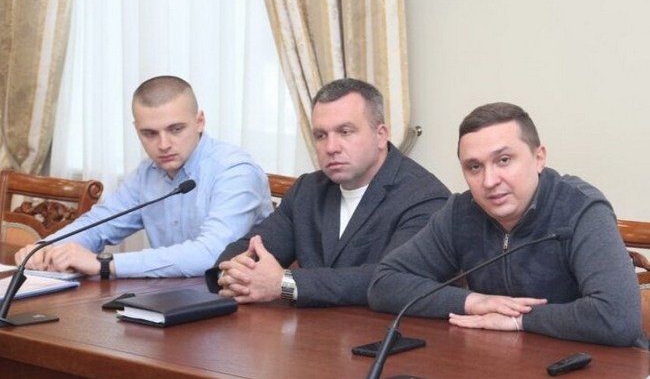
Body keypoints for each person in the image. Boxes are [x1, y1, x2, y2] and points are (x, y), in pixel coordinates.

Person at [368, 102, 646, 348]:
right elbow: (384, 284)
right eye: (474, 167)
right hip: (502, 358)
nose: (489, 181)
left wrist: (519, 319)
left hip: (597, 362)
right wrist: (474, 302)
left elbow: (617, 318)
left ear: (539, 158)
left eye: (504, 160)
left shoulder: (580, 208)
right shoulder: (461, 213)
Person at [206, 78, 450, 307]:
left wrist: (286, 285)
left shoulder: (426, 197)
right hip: (309, 329)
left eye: (345, 132)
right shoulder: (308, 190)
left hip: (383, 331)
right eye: (321, 135)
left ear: (381, 135)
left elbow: (390, 280)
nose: (331, 147)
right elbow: (249, 247)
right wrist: (231, 273)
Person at [15, 75, 273, 278]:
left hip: (240, 304)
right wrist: (44, 248)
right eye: (150, 133)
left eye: (176, 129)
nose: (163, 145)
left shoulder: (235, 170)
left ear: (200, 121)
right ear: (136, 129)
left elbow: (212, 254)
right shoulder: (148, 173)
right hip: (170, 298)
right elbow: (99, 225)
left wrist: (105, 264)